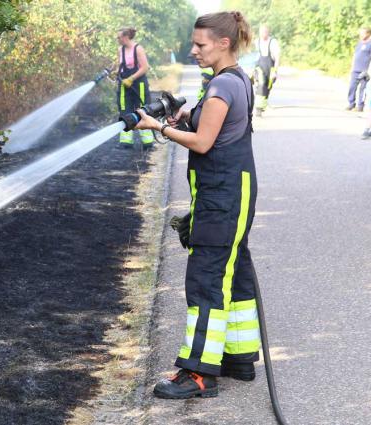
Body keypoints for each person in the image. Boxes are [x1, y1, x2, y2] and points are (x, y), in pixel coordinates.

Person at [133, 10, 260, 399]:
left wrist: (160, 127)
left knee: (206, 279)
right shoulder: (234, 80)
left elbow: (204, 143)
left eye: (200, 44)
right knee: (232, 273)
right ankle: (238, 358)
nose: (194, 50)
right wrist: (189, 114)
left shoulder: (222, 87)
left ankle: (199, 375)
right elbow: (216, 129)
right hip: (231, 193)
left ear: (225, 43)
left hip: (222, 198)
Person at [114, 27, 154, 147]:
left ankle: (147, 141)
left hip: (138, 84)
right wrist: (116, 72)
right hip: (124, 84)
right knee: (124, 108)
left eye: (119, 37)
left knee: (143, 109)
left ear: (126, 37)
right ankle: (126, 141)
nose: (117, 39)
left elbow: (145, 67)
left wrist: (131, 79)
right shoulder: (120, 49)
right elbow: (119, 65)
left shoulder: (138, 49)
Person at [253, 24, 280, 117]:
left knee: (268, 87)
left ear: (268, 32)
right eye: (261, 32)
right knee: (261, 84)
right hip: (259, 67)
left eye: (265, 32)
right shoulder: (257, 42)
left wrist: (275, 72)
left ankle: (262, 106)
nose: (263, 34)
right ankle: (258, 108)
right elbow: (253, 56)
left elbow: (277, 58)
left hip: (270, 67)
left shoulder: (273, 42)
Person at [348, 28, 371, 112]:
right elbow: (355, 56)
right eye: (361, 33)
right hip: (355, 69)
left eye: (363, 33)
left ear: (368, 34)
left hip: (364, 71)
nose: (361, 35)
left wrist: (369, 70)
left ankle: (360, 106)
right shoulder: (359, 43)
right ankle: (351, 103)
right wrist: (352, 67)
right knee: (352, 87)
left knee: (363, 89)